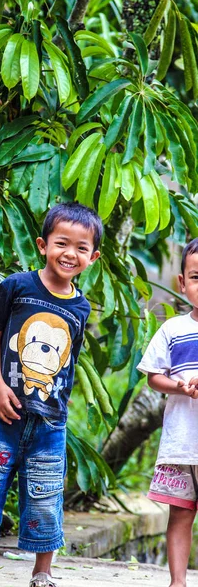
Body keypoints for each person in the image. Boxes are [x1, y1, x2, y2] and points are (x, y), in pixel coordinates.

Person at [0, 202, 102, 587]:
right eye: (62, 243)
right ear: (43, 245)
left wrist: (63, 396)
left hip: (50, 422)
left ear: (93, 257)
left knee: (45, 495)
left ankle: (43, 574)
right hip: (2, 414)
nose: (69, 254)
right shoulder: (16, 286)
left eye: (80, 247)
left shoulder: (80, 306)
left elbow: (67, 359)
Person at [137, 238, 198, 587]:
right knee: (179, 513)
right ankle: (178, 582)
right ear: (182, 283)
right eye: (197, 276)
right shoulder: (172, 329)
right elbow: (154, 377)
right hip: (181, 443)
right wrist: (180, 386)